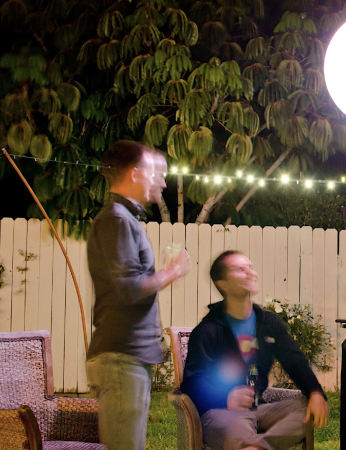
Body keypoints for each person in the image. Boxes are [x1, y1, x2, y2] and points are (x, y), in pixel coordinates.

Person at [86, 141, 190, 450]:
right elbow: (129, 288)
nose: (163, 181)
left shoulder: (123, 219)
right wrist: (171, 272)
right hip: (121, 358)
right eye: (157, 173)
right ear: (135, 174)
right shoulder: (117, 220)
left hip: (127, 358)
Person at [181, 250, 329, 450]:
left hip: (261, 408)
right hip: (221, 412)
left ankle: (256, 447)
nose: (250, 272)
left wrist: (315, 392)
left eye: (250, 267)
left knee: (308, 407)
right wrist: (225, 397)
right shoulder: (208, 330)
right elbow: (191, 384)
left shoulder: (268, 322)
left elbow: (294, 360)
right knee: (237, 430)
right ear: (222, 284)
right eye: (239, 269)